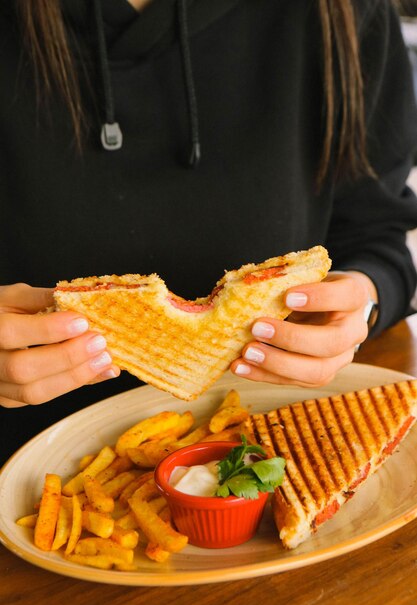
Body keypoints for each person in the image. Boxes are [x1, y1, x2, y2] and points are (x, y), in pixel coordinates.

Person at [1, 0, 417, 465]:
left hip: (281, 439)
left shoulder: (339, 11)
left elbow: (376, 234)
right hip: (25, 470)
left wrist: (361, 299)